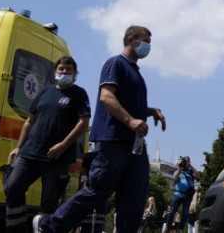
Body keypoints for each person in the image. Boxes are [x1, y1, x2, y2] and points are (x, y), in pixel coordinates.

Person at [35, 26, 166, 233]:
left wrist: (151, 111)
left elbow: (129, 103)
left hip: (135, 145)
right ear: (131, 40)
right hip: (113, 141)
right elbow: (107, 96)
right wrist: (131, 121)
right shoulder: (115, 63)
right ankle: (48, 225)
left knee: (134, 198)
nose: (148, 46)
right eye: (146, 41)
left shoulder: (135, 72)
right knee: (97, 192)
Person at [5, 57, 90, 233]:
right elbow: (29, 121)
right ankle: (17, 229)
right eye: (61, 69)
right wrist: (18, 147)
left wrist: (63, 145)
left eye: (68, 69)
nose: (64, 72)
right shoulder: (44, 93)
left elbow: (83, 123)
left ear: (75, 73)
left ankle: (43, 229)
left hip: (57, 158)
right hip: (30, 153)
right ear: (55, 71)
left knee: (49, 202)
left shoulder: (79, 94)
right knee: (12, 188)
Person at [162, 156, 200, 233]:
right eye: (185, 162)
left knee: (185, 213)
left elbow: (198, 176)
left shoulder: (191, 172)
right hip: (178, 194)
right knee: (172, 211)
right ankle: (168, 227)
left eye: (187, 162)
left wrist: (191, 166)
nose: (185, 163)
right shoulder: (178, 171)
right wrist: (179, 169)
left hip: (188, 196)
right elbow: (175, 178)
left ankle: (181, 229)